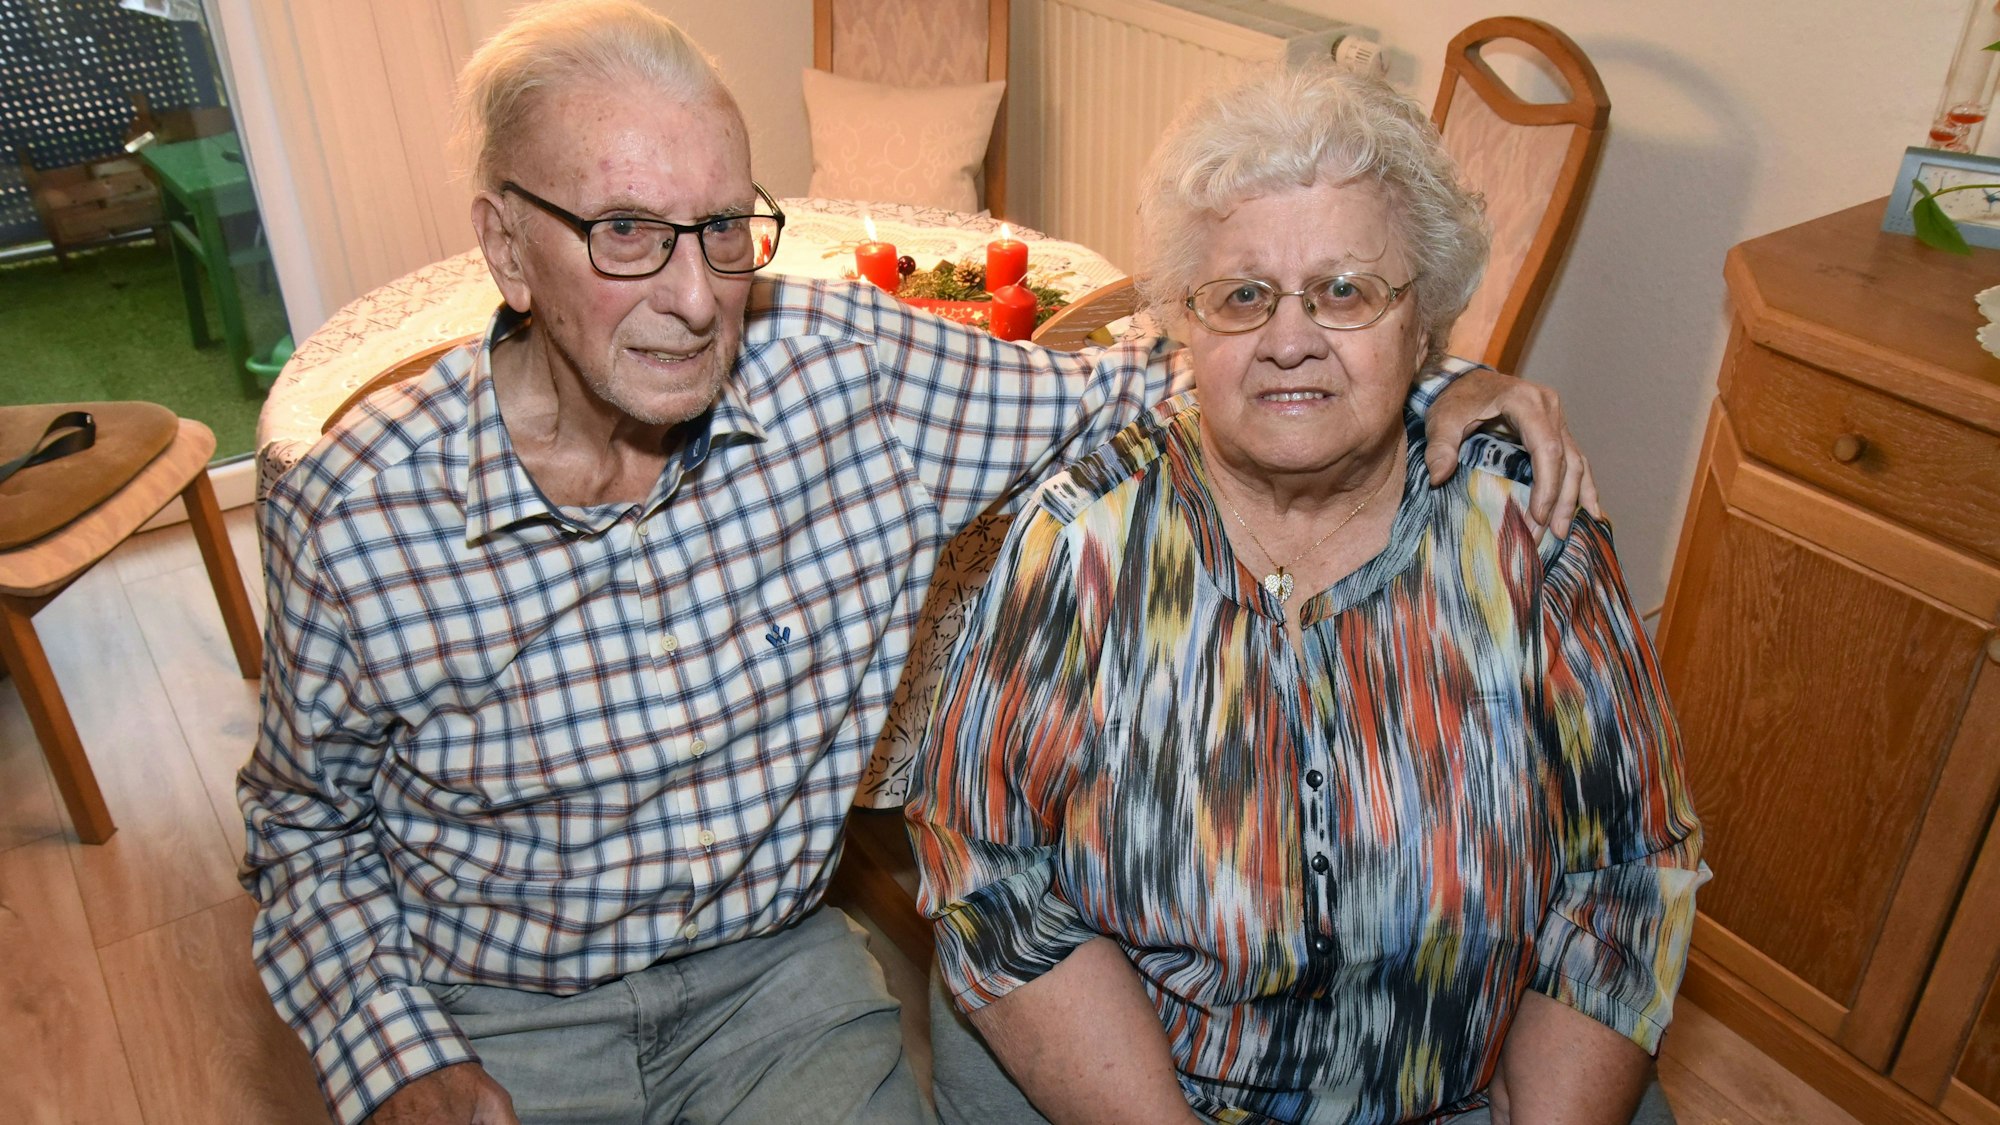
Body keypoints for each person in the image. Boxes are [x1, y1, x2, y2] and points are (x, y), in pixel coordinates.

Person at [237, 4, 1601, 1123]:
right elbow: (302, 828)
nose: (699, 293)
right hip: (491, 1002)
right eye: (627, 232)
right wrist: (400, 1060)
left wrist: (1437, 378)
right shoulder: (358, 504)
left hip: (768, 987)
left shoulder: (852, 374)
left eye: (723, 228)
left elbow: (1166, 376)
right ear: (505, 248)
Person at [905, 64, 1708, 1125]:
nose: (1290, 337)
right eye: (1241, 294)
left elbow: (1626, 872)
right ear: (1184, 325)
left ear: (1423, 324)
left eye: (1344, 290)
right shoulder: (1083, 541)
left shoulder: (1528, 533)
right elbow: (987, 872)